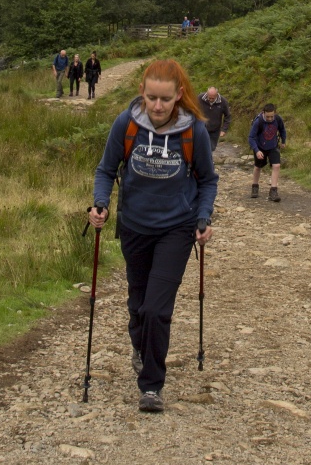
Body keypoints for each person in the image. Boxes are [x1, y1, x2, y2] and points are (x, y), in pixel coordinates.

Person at [89, 58, 217, 414]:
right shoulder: (127, 124)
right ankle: (140, 345)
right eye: (151, 98)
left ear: (179, 95)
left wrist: (203, 217)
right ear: (142, 94)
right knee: (138, 305)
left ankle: (151, 385)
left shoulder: (194, 131)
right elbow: (106, 169)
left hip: (177, 228)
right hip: (134, 226)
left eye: (165, 99)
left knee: (157, 309)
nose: (158, 107)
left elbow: (207, 180)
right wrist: (100, 203)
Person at [248, 100, 287, 202]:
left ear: (275, 113)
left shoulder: (278, 119)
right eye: (268, 116)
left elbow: (282, 129)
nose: (270, 119)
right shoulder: (258, 122)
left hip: (273, 146)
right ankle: (255, 186)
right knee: (258, 167)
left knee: (276, 166)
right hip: (260, 147)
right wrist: (256, 150)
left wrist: (283, 141)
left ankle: (273, 191)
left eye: (272, 116)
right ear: (263, 113)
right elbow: (251, 137)